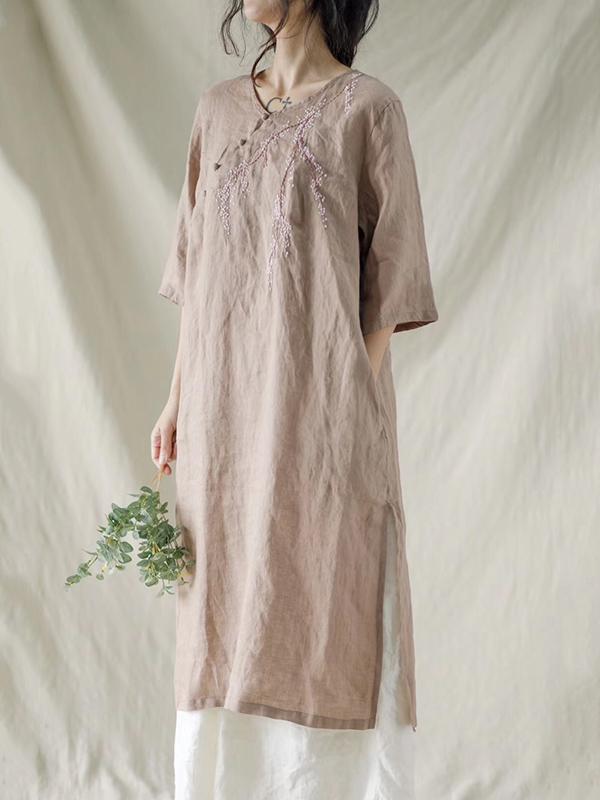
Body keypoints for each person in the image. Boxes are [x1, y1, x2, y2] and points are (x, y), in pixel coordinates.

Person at [151, 1, 439, 797]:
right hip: (221, 416)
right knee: (222, 609)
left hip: (323, 420)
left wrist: (348, 395)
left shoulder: (369, 111)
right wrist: (175, 400)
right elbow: (196, 270)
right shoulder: (217, 111)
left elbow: (393, 285)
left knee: (323, 596)